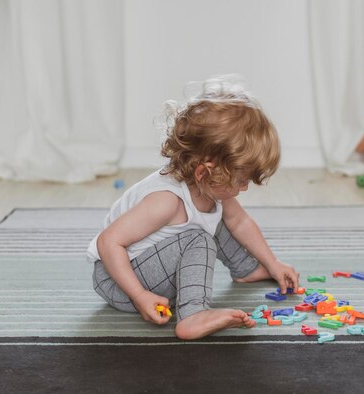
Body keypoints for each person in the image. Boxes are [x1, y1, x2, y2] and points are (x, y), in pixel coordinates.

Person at [87, 75, 299, 340]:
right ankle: (192, 314)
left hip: (152, 270)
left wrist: (272, 263)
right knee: (198, 238)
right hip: (119, 281)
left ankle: (246, 270)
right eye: (241, 180)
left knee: (219, 216)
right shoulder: (166, 201)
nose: (244, 188)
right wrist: (139, 296)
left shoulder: (210, 188)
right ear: (204, 172)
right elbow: (109, 243)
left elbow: (241, 222)